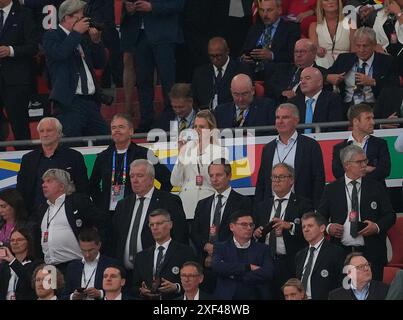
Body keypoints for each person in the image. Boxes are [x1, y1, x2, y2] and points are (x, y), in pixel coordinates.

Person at [319, 145, 396, 281]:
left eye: (365, 161)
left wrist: (376, 227)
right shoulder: (331, 189)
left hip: (371, 252)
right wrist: (329, 227)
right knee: (344, 292)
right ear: (347, 165)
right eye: (360, 162)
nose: (364, 165)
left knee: (373, 292)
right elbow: (319, 216)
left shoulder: (376, 187)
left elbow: (390, 215)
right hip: (341, 252)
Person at [42, 0, 109, 137]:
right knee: (73, 144)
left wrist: (96, 42)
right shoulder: (52, 36)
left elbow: (100, 63)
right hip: (70, 102)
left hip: (91, 101)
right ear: (67, 17)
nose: (84, 22)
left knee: (105, 140)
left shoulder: (82, 38)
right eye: (80, 18)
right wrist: (76, 33)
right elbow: (60, 54)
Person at [112, 159, 187, 273]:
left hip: (158, 273)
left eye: (140, 176)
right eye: (132, 176)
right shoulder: (123, 205)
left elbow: (180, 236)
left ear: (152, 178)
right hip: (125, 274)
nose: (135, 180)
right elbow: (115, 238)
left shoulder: (169, 201)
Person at [120, 0, 185, 132]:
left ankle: (171, 121)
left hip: (163, 35)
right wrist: (129, 8)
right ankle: (146, 121)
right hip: (139, 35)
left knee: (168, 81)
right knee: (143, 80)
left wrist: (152, 7)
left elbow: (179, 4)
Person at [89, 113, 172, 215]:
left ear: (131, 131)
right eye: (113, 128)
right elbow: (92, 185)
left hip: (137, 211)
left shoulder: (146, 154)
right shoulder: (103, 157)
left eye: (121, 127)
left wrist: (154, 202)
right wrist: (101, 204)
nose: (117, 130)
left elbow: (167, 180)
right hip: (108, 215)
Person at [191, 158, 251, 292]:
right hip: (205, 266)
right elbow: (195, 232)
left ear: (229, 176)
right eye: (211, 175)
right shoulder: (202, 204)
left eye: (219, 175)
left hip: (231, 264)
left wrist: (217, 249)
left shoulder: (243, 202)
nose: (214, 179)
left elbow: (243, 232)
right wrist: (206, 246)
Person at [254, 163, 312, 297]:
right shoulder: (262, 206)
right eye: (274, 177)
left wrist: (290, 226)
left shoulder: (303, 204)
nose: (277, 181)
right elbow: (255, 233)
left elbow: (310, 231)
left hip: (290, 262)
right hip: (266, 262)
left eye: (281, 177)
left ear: (291, 180)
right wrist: (256, 233)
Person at [35, 168, 105, 274]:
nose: (44, 185)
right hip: (50, 268)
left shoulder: (78, 202)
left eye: (49, 181)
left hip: (75, 264)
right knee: (50, 290)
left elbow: (101, 224)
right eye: (44, 182)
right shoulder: (43, 209)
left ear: (62, 186)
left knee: (74, 291)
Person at [255, 103, 325, 208]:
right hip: (272, 208)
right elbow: (262, 183)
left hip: (302, 208)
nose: (280, 121)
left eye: (285, 117)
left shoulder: (310, 145)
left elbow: (318, 180)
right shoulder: (268, 148)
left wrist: (316, 210)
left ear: (296, 121)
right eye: (278, 117)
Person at [17, 117, 89, 213]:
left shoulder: (74, 157)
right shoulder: (28, 159)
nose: (45, 134)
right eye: (42, 131)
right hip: (35, 216)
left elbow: (83, 188)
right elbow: (21, 190)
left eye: (49, 130)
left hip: (67, 214)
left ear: (59, 133)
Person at [326, 27, 400, 116]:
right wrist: (328, 77)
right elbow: (323, 73)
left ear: (374, 45)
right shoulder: (344, 59)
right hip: (347, 107)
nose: (361, 50)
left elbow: (395, 83)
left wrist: (373, 82)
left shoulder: (386, 61)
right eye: (358, 46)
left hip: (374, 108)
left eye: (365, 46)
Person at [171, 110, 228, 220]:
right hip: (186, 204)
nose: (197, 130)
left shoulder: (219, 151)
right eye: (195, 126)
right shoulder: (187, 149)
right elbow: (175, 181)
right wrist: (181, 156)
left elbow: (215, 180)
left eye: (201, 127)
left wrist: (203, 151)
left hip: (207, 203)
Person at [132, 209, 195, 300]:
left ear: (170, 225)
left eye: (159, 223)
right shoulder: (141, 256)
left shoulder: (185, 252)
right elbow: (134, 286)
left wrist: (176, 287)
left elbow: (195, 281)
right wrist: (141, 290)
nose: (155, 227)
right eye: (152, 225)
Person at [212, 210, 274, 300]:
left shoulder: (263, 249)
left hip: (255, 295)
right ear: (232, 227)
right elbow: (217, 267)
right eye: (244, 224)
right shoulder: (221, 247)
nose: (249, 228)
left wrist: (233, 275)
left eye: (251, 225)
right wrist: (247, 267)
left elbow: (268, 273)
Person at [0, 0, 39, 141]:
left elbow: (33, 46)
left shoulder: (25, 14)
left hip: (16, 81)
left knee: (19, 125)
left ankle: (25, 158)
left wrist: (10, 50)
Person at [332, 103, 391, 183]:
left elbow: (384, 170)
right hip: (350, 193)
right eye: (368, 118)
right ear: (355, 121)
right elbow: (338, 172)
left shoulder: (380, 144)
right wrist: (367, 169)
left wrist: (354, 172)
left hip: (375, 192)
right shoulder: (339, 148)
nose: (373, 122)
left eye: (372, 118)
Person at [241, 0, 300, 77]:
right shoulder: (255, 29)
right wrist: (243, 58)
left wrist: (271, 55)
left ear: (279, 10)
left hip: (277, 75)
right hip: (251, 73)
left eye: (269, 10)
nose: (265, 15)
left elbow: (293, 55)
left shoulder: (290, 29)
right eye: (262, 10)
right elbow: (243, 50)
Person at [295, 212, 345, 300]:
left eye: (310, 226)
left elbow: (341, 284)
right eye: (303, 227)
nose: (306, 229)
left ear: (322, 228)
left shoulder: (336, 252)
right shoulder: (300, 255)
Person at [265, 38, 326, 104]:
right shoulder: (283, 68)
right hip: (279, 104)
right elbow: (269, 86)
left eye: (303, 51)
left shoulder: (320, 73)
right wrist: (282, 93)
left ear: (313, 54)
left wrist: (296, 97)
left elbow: (320, 96)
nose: (298, 55)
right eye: (296, 52)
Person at [192, 37, 247, 110]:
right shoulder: (200, 73)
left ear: (227, 51)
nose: (215, 59)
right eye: (212, 56)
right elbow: (194, 100)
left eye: (218, 55)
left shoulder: (242, 70)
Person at [64, 228, 118, 300]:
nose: (87, 255)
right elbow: (63, 294)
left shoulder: (111, 264)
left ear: (99, 245)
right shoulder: (72, 267)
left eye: (90, 250)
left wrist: (100, 294)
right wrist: (72, 296)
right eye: (83, 250)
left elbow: (121, 291)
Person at [309, 0, 355, 69]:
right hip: (322, 67)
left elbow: (354, 51)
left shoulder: (350, 23)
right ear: (320, 4)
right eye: (326, 0)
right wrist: (317, 49)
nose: (330, 2)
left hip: (345, 66)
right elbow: (314, 49)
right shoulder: (314, 26)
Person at [0, 226, 42, 300]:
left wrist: (13, 261)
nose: (15, 243)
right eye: (12, 240)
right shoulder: (4, 267)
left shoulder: (37, 265)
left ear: (28, 242)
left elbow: (30, 282)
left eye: (19, 240)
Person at [373, 0, 403, 77]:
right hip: (385, 56)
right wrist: (378, 48)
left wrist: (399, 13)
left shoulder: (399, 13)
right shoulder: (381, 14)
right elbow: (374, 37)